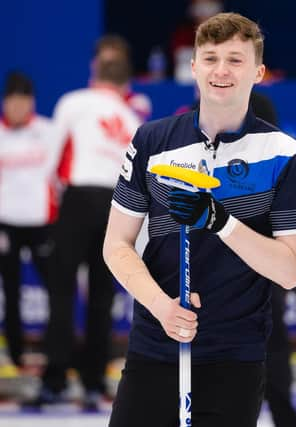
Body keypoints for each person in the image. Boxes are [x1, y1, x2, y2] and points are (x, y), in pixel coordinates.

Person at [102, 12, 296, 427]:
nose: (222, 70)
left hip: (235, 357)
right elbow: (116, 245)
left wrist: (221, 221)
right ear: (194, 67)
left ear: (259, 72)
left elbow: (289, 271)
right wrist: (163, 308)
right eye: (211, 58)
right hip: (155, 348)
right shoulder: (152, 141)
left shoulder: (285, 154)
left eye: (236, 60)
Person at [29, 46, 142, 409]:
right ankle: (93, 381)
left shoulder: (73, 101)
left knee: (62, 291)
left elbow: (50, 155)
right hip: (117, 205)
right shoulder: (131, 117)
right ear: (125, 83)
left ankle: (56, 379)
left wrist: (50, 208)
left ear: (95, 75)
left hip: (78, 199)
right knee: (102, 296)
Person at [0, 72, 61, 371]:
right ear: (4, 102)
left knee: (57, 289)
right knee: (9, 292)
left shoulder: (49, 132)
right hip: (6, 224)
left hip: (42, 222)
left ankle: (54, 355)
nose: (18, 108)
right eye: (12, 101)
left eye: (24, 101)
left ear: (32, 103)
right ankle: (14, 356)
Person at [93, 34, 153, 122]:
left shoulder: (138, 103)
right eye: (106, 65)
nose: (110, 71)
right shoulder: (79, 102)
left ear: (126, 66)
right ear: (94, 64)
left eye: (115, 64)